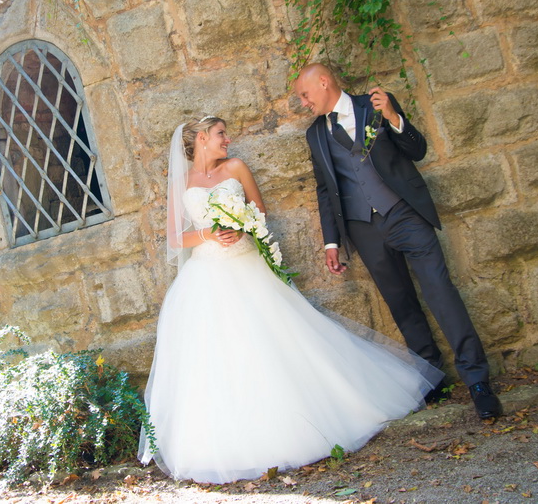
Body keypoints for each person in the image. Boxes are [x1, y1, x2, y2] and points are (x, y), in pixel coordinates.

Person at [137, 116, 443, 484]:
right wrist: (208, 233)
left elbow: (259, 211)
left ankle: (312, 422)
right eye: (221, 134)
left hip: (249, 266)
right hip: (206, 275)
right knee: (221, 356)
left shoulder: (236, 167)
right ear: (202, 138)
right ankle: (239, 441)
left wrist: (243, 225)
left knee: (277, 343)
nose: (227, 140)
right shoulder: (183, 183)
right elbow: (174, 237)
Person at [292, 62, 503, 421]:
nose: (303, 103)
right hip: (363, 229)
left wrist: (392, 116)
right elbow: (326, 191)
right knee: (401, 304)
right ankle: (432, 378)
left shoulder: (376, 104)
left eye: (304, 95)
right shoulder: (315, 135)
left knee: (441, 292)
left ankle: (477, 381)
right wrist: (332, 242)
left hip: (405, 215)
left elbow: (416, 149)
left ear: (324, 83)